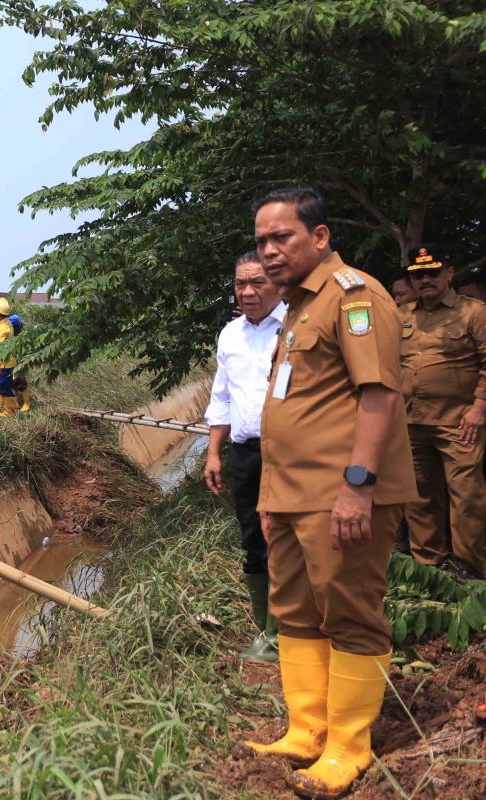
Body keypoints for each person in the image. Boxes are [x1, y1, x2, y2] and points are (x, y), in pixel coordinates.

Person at [240, 188, 417, 800]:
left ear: (319, 237)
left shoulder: (354, 298)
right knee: (294, 612)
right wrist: (268, 498)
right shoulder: (295, 308)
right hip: (291, 498)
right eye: (262, 241)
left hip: (341, 494)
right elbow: (287, 409)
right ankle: (307, 730)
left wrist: (358, 488)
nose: (268, 251)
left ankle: (349, 745)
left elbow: (379, 395)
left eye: (281, 237)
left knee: (349, 612)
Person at [204, 251, 287, 663]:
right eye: (241, 283)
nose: (248, 291)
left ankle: (289, 629)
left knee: (288, 539)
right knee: (253, 538)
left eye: (257, 282)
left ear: (277, 281)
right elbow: (221, 397)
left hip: (289, 452)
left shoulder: (295, 327)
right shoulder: (230, 335)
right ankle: (266, 630)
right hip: (245, 453)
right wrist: (213, 454)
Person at [399, 243, 486, 579]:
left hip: (460, 422)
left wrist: (479, 408)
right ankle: (429, 567)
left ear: (450, 273)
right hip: (411, 422)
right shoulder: (402, 314)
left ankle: (470, 570)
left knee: (466, 498)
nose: (426, 280)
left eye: (433, 273)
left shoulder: (474, 312)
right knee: (419, 497)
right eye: (418, 275)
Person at [0, 310, 32, 412]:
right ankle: (15, 404)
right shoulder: (6, 321)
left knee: (18, 381)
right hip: (13, 353)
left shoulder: (13, 319)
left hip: (16, 354)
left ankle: (23, 405)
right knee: (12, 382)